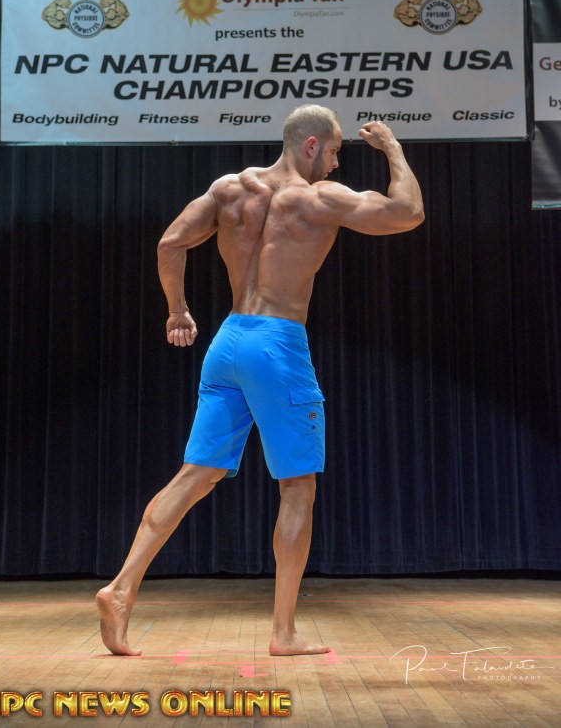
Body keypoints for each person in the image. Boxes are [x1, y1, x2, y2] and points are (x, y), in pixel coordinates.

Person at [96, 104, 424, 657]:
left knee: (195, 475)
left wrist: (177, 310)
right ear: (311, 145)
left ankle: (121, 588)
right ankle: (283, 633)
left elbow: (170, 243)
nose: (337, 164)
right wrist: (391, 147)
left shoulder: (230, 189)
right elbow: (408, 212)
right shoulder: (319, 199)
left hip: (227, 341)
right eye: (335, 151)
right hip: (277, 345)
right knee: (297, 487)